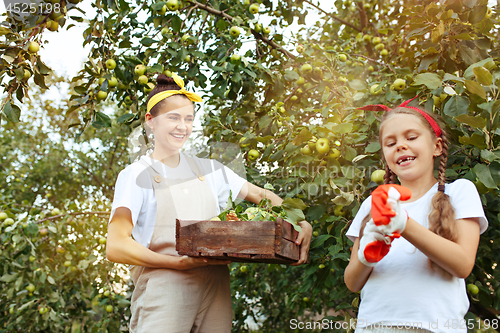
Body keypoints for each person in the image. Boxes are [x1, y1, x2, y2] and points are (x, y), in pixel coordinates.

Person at [105, 73, 312, 333]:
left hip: (216, 287)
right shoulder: (136, 175)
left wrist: (301, 221)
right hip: (166, 284)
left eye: (188, 119)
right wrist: (178, 263)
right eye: (173, 118)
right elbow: (116, 246)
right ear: (150, 122)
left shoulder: (211, 170)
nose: (182, 126)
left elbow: (261, 196)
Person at [344, 98, 488, 333]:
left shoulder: (459, 192)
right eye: (390, 143)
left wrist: (403, 224)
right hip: (373, 327)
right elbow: (352, 282)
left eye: (411, 137)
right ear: (386, 158)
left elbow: (462, 265)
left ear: (437, 147)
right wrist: (367, 255)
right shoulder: (372, 204)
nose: (400, 145)